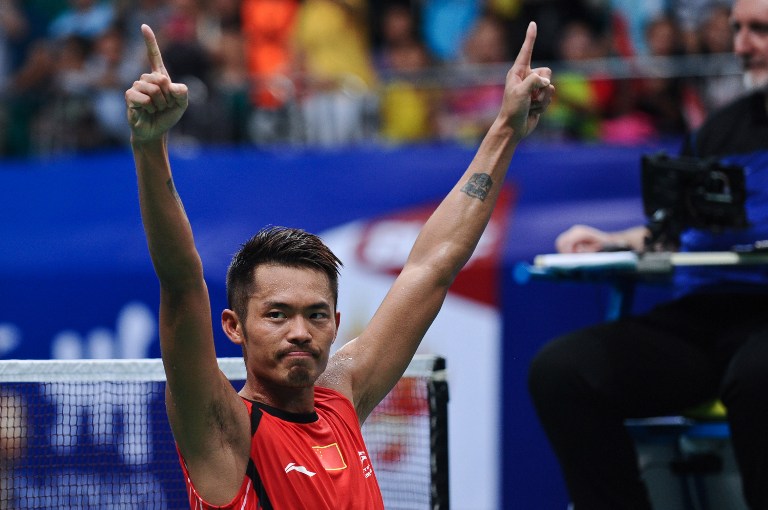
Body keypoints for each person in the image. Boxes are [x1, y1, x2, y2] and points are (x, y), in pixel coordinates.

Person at [125, 21, 552, 509]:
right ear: (234, 326)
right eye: (277, 314)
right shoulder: (224, 431)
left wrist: (504, 130)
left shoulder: (341, 398)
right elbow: (180, 283)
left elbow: (431, 266)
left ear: (337, 324)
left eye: (317, 314)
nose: (301, 332)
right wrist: (150, 145)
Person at [528, 0, 768, 508]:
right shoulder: (715, 130)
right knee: (561, 371)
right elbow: (672, 230)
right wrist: (614, 241)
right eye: (738, 29)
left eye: (760, 30)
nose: (742, 45)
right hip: (700, 321)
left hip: (762, 327)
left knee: (756, 378)